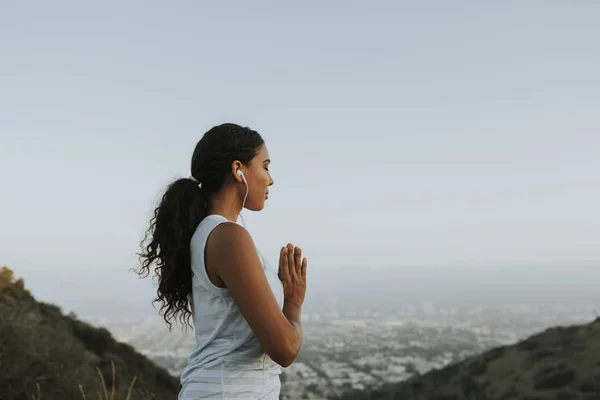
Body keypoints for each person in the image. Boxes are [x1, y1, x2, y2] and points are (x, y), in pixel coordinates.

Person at [136, 123, 308, 399]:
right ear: (238, 169)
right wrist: (293, 303)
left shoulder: (209, 234)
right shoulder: (228, 238)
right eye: (265, 166)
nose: (271, 179)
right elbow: (285, 349)